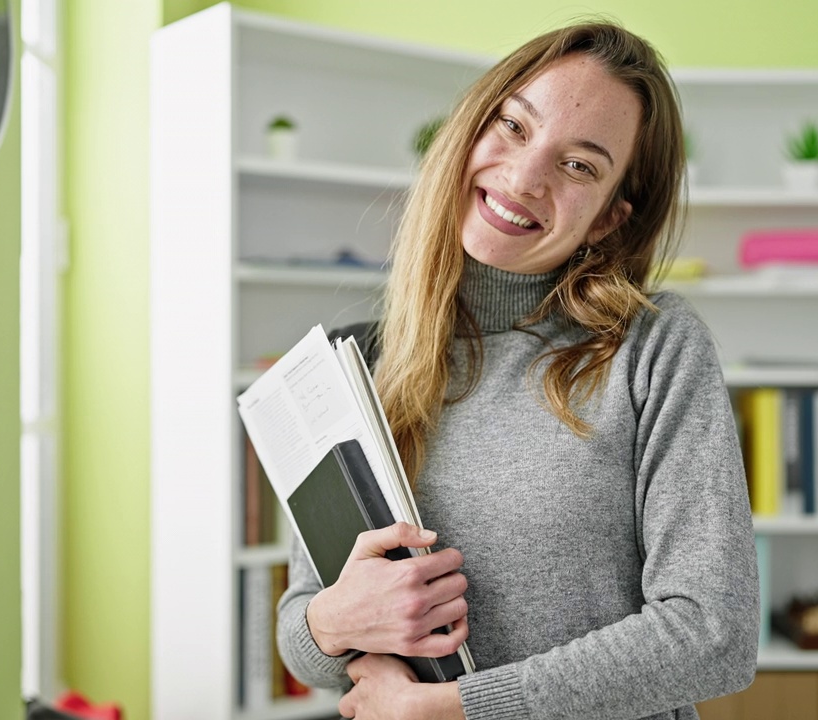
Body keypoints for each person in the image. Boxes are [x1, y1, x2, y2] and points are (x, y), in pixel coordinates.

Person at [275, 20, 759, 720]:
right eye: (514, 126)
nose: (525, 177)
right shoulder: (356, 364)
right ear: (471, 128)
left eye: (580, 165)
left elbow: (714, 634)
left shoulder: (652, 347)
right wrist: (335, 621)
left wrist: (454, 707)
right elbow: (301, 628)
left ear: (607, 220)